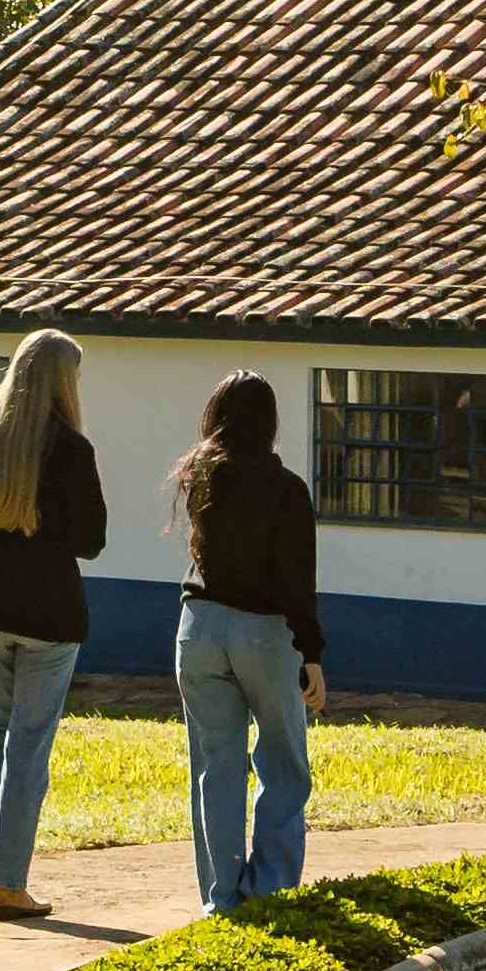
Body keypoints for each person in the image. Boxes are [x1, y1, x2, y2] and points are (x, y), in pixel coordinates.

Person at [0, 331, 107, 923]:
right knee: (29, 743)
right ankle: (9, 884)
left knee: (1, 733)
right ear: (64, 381)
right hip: (48, 615)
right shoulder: (70, 449)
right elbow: (91, 541)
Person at [171, 368, 326, 911]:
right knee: (282, 762)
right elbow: (297, 582)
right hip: (264, 633)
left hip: (198, 627)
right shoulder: (287, 490)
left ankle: (221, 899)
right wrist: (311, 654)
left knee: (216, 767)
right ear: (270, 423)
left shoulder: (200, 478)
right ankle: (271, 891)